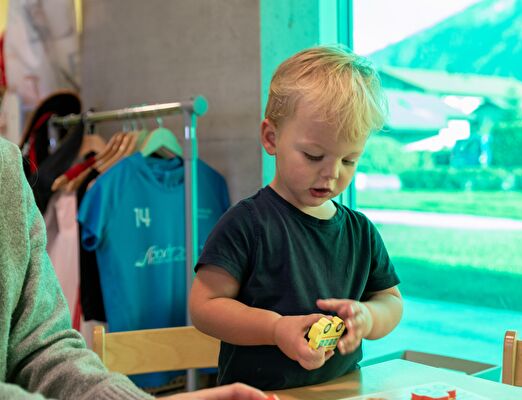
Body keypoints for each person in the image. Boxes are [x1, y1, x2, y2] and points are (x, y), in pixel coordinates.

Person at [189, 45, 403, 391]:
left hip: (342, 390)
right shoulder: (247, 224)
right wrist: (275, 329)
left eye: (349, 160)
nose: (331, 174)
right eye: (314, 155)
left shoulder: (360, 232)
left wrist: (369, 317)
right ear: (271, 138)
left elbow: (390, 300)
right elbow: (204, 306)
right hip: (258, 394)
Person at [0, 136, 271, 400]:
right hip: (136, 351)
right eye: (310, 155)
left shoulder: (8, 169)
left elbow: (42, 349)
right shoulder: (109, 187)